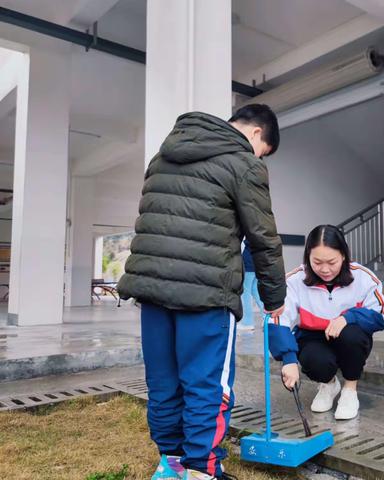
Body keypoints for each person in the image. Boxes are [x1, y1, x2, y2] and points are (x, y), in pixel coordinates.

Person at [117, 104, 286, 480]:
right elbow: (263, 238)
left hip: (152, 288)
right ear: (258, 135)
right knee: (206, 384)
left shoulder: (164, 155)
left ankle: (170, 463)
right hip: (206, 295)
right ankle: (202, 470)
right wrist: (275, 299)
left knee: (164, 380)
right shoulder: (244, 163)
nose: (260, 158)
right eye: (264, 152)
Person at [269, 224, 384, 420]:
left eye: (331, 262)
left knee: (352, 335)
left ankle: (350, 391)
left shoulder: (362, 277)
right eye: (317, 262)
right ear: (308, 257)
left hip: (348, 335)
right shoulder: (295, 281)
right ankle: (328, 384)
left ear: (343, 255)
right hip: (313, 337)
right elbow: (278, 318)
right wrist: (288, 359)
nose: (324, 269)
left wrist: (348, 318)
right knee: (312, 358)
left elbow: (383, 315)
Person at [238, 239, 263, 331]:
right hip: (257, 262)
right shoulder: (261, 230)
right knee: (255, 290)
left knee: (245, 293)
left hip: (249, 262)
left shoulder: (251, 229)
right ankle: (267, 318)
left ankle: (247, 322)